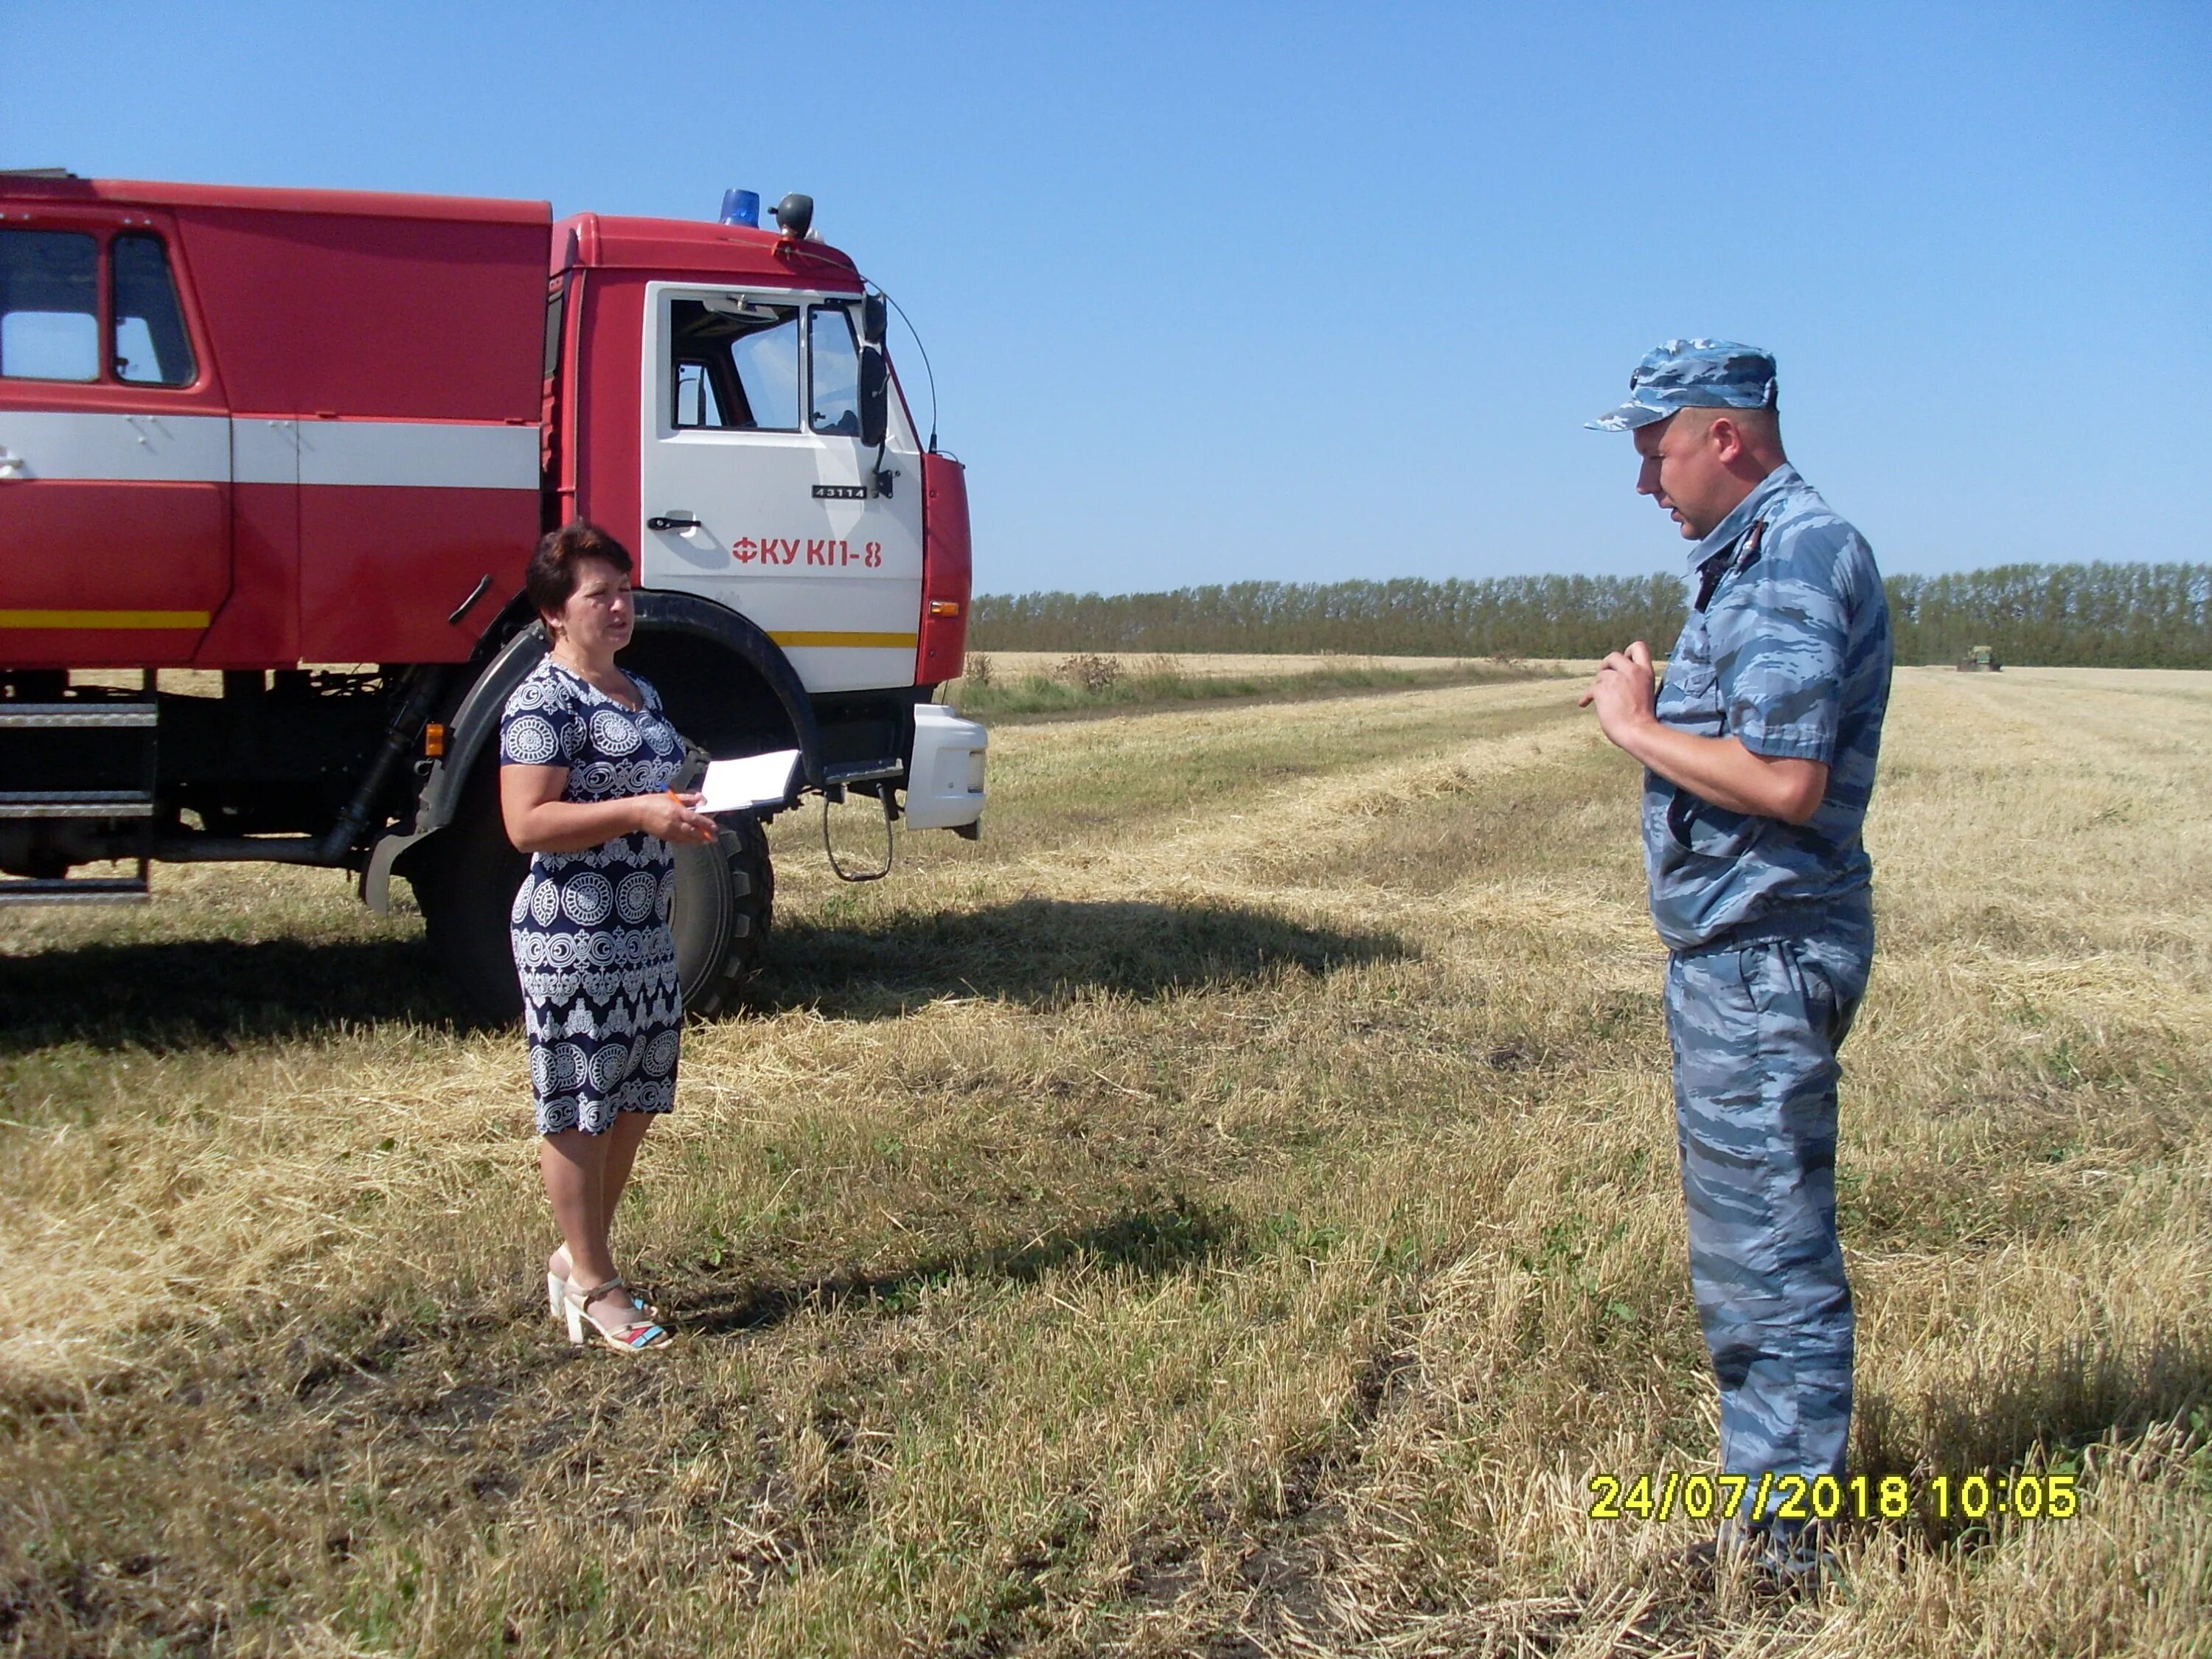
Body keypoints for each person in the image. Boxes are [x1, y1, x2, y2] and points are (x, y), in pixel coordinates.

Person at [1579, 341, 1892, 1572]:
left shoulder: (1794, 554)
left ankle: (1785, 1552)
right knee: (1751, 1245)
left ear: (1728, 436)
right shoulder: (1758, 558)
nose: (1646, 481)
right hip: (1744, 949)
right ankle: (1776, 1512)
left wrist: (1634, 728)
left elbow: (1786, 782)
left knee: (1768, 1257)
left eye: (1654, 449)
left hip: (1764, 953)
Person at [498, 521, 720, 1353]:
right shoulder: (540, 703)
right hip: (573, 936)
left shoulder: (641, 692)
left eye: (626, 589)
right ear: (556, 612)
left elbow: (655, 789)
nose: (622, 605)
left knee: (632, 1103)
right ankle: (596, 1283)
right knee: (579, 1107)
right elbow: (526, 823)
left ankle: (576, 1254)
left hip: (643, 930)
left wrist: (687, 809)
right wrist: (637, 812)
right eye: (602, 594)